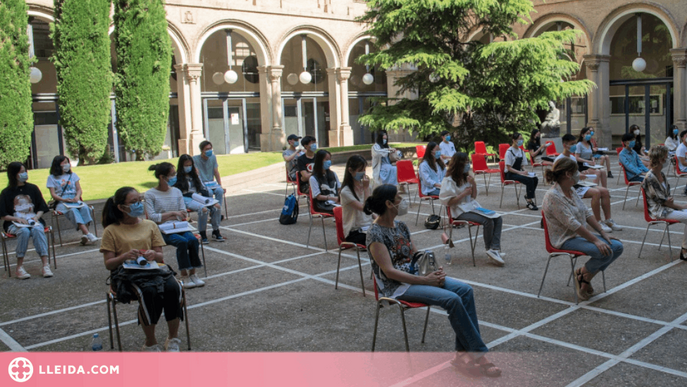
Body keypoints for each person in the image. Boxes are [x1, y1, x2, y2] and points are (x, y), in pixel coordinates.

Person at [364, 184, 500, 377]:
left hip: (418, 278)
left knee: (465, 291)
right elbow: (389, 272)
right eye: (398, 198)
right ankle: (479, 356)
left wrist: (434, 271)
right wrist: (426, 281)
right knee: (452, 300)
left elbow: (415, 256)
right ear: (388, 204)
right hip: (397, 287)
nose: (402, 202)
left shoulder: (401, 226)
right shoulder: (374, 233)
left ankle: (461, 356)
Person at [100, 186, 183, 352]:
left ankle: (173, 338)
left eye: (140, 201)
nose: (139, 204)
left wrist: (153, 253)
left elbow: (160, 255)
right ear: (121, 207)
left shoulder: (150, 225)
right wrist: (124, 256)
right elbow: (109, 263)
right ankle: (150, 342)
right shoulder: (111, 231)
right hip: (127, 275)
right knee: (149, 292)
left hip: (154, 269)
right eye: (133, 202)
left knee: (174, 288)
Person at [542, 157, 624, 301]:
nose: (579, 174)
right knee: (605, 250)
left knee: (617, 247)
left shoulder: (571, 189)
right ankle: (584, 279)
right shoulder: (553, 196)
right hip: (564, 239)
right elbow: (572, 224)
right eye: (577, 171)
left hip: (578, 236)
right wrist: (595, 240)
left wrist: (603, 233)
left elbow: (586, 213)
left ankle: (583, 274)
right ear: (568, 174)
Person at [144, 163, 204, 288]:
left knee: (192, 240)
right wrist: (172, 213)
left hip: (179, 225)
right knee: (181, 242)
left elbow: (182, 213)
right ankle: (184, 275)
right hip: (161, 229)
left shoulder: (176, 192)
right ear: (162, 177)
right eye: (172, 175)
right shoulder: (150, 194)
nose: (174, 177)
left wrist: (167, 215)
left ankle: (193, 273)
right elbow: (153, 217)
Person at [440, 152, 505, 266]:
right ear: (458, 164)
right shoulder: (449, 180)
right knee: (487, 221)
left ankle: (494, 249)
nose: (468, 165)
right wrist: (462, 194)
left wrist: (473, 184)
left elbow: (473, 196)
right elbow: (447, 201)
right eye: (465, 162)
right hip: (458, 211)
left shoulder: (466, 178)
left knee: (498, 218)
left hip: (471, 207)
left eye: (468, 162)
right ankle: (489, 249)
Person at [556, 134, 622, 233]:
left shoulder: (573, 158)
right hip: (569, 188)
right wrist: (577, 177)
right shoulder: (559, 160)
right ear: (565, 145)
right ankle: (598, 222)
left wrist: (582, 173)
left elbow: (575, 173)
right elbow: (560, 179)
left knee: (604, 191)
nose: (575, 146)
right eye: (572, 144)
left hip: (577, 184)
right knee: (596, 193)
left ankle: (608, 220)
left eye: (575, 143)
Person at [0, 162, 52, 279]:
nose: (24, 174)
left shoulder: (33, 188)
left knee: (38, 230)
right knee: (24, 232)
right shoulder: (6, 192)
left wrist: (36, 217)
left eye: (25, 171)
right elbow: (3, 215)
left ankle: (45, 264)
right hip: (14, 222)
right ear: (14, 174)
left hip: (33, 220)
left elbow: (41, 208)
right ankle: (19, 267)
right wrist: (17, 219)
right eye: (21, 172)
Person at [642, 145, 687, 261]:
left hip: (667, 208)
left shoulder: (661, 174)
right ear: (661, 159)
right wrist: (681, 206)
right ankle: (685, 249)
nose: (669, 159)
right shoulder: (650, 178)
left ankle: (685, 248)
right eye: (667, 157)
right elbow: (663, 202)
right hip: (659, 211)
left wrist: (670, 201)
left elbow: (667, 198)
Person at [46, 156, 97, 245]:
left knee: (85, 208)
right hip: (62, 201)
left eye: (67, 162)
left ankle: (85, 234)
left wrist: (77, 197)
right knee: (73, 210)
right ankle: (88, 234)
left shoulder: (73, 175)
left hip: (74, 199)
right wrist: (64, 199)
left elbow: (79, 189)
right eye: (64, 163)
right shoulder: (51, 178)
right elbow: (53, 194)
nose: (67, 164)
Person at [174, 154, 223, 243]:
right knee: (203, 209)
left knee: (217, 206)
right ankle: (202, 232)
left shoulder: (195, 175)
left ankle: (216, 230)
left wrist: (207, 196)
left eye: (190, 165)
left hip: (198, 197)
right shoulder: (177, 177)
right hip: (186, 198)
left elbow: (202, 187)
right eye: (186, 165)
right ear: (181, 165)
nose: (188, 167)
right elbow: (178, 192)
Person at [339, 155, 373, 246]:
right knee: (377, 240)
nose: (363, 173)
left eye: (364, 170)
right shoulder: (346, 191)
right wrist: (366, 189)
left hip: (369, 227)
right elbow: (365, 208)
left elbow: (371, 210)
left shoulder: (367, 186)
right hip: (354, 231)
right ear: (350, 170)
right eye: (360, 170)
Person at [504, 132, 539, 210]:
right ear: (513, 140)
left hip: (518, 172)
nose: (521, 141)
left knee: (535, 179)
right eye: (519, 139)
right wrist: (520, 172)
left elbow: (522, 165)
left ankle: (528, 195)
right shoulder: (509, 152)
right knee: (529, 180)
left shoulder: (521, 151)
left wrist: (526, 172)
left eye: (521, 139)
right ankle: (529, 201)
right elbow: (509, 168)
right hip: (510, 174)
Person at [193, 141, 226, 217]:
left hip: (212, 183)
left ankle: (217, 212)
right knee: (209, 192)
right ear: (202, 150)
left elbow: (216, 172)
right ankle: (211, 211)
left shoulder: (213, 157)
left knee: (219, 191)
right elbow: (196, 174)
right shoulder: (195, 159)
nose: (209, 150)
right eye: (207, 149)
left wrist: (220, 185)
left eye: (210, 148)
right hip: (203, 184)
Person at [309, 149, 341, 215]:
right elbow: (318, 196)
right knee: (342, 209)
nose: (329, 161)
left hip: (336, 201)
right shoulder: (313, 178)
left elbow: (339, 189)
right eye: (326, 159)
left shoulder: (333, 174)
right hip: (323, 204)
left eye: (329, 159)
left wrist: (340, 198)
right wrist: (333, 198)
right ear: (319, 161)